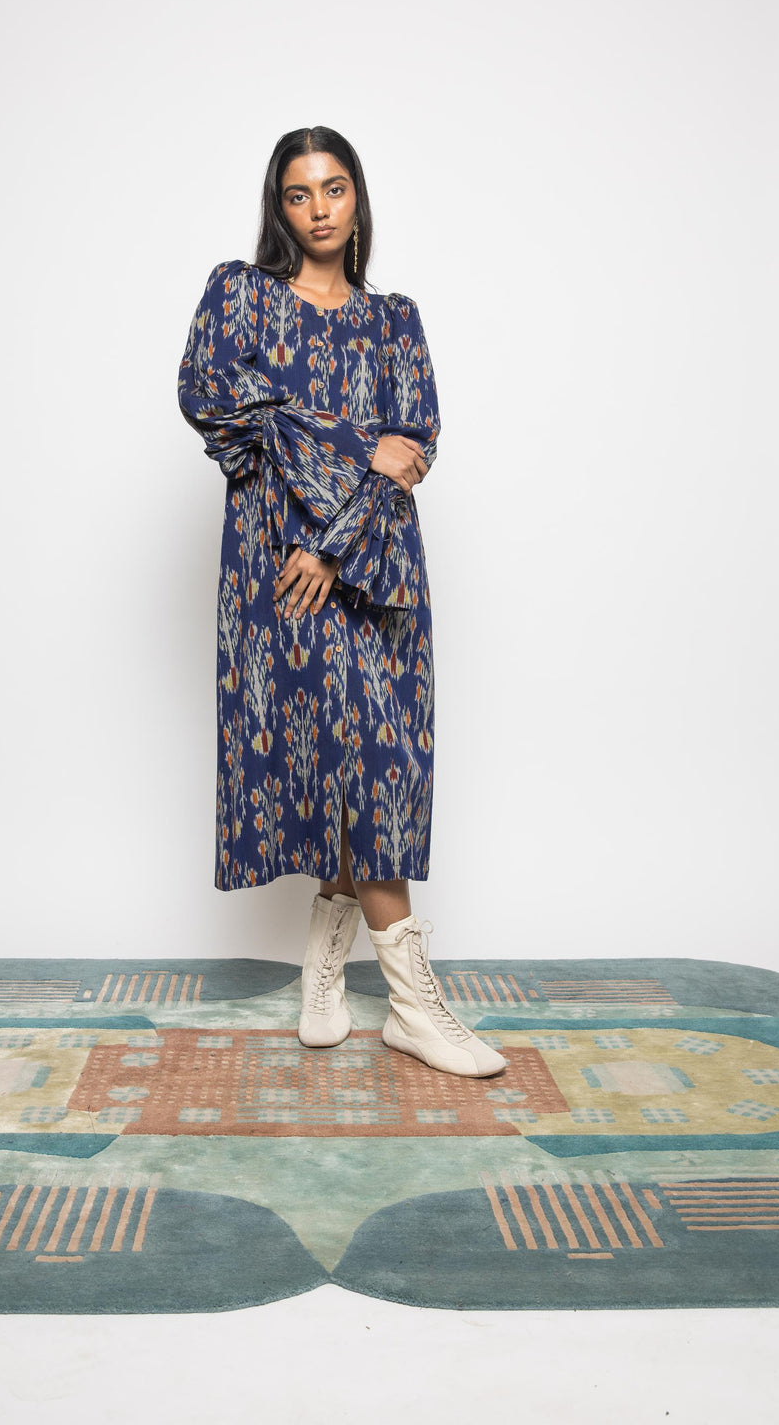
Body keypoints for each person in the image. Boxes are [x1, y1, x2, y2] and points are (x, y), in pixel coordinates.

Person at [178, 125, 505, 1078]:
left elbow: (415, 447)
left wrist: (335, 537)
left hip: (378, 569)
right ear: (278, 207)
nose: (318, 209)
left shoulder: (395, 320)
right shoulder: (240, 295)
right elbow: (211, 397)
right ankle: (409, 1004)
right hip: (278, 576)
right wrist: (355, 445)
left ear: (358, 198)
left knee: (378, 764)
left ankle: (347, 981)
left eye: (334, 188)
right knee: (337, 761)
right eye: (298, 193)